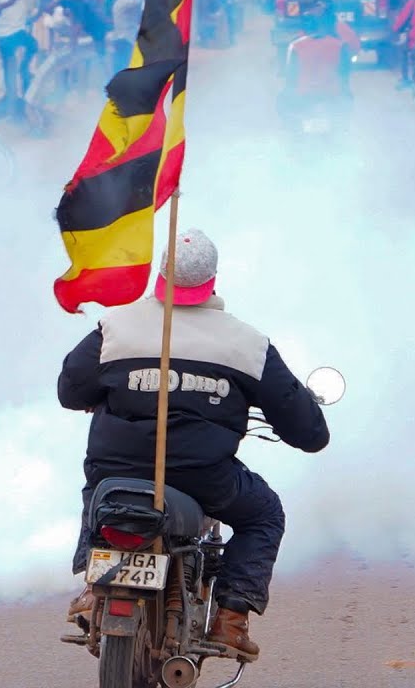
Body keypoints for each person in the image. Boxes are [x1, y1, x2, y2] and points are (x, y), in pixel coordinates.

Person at [58, 229, 330, 660]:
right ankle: (230, 619)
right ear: (213, 280)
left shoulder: (115, 327)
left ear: (161, 273)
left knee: (99, 493)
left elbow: (70, 392)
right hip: (203, 477)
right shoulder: (246, 344)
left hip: (115, 469)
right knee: (264, 514)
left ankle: (94, 588)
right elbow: (310, 434)